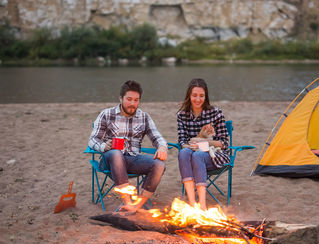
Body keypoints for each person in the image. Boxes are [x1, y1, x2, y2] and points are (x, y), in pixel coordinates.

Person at [88, 80, 168, 212]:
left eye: (136, 100)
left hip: (133, 159)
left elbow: (157, 137)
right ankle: (127, 202)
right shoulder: (107, 114)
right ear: (121, 98)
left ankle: (137, 205)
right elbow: (92, 140)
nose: (132, 104)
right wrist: (104, 146)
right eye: (129, 99)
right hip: (110, 159)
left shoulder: (144, 117)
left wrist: (162, 147)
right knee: (116, 153)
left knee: (159, 164)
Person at [177, 78, 230, 210]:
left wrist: (203, 142)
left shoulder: (216, 113)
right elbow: (182, 141)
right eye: (194, 95)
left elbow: (224, 143)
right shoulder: (182, 115)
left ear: (206, 97)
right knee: (183, 153)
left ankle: (202, 206)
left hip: (215, 155)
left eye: (201, 96)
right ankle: (191, 203)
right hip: (191, 151)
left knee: (198, 155)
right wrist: (195, 142)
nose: (198, 99)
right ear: (189, 96)